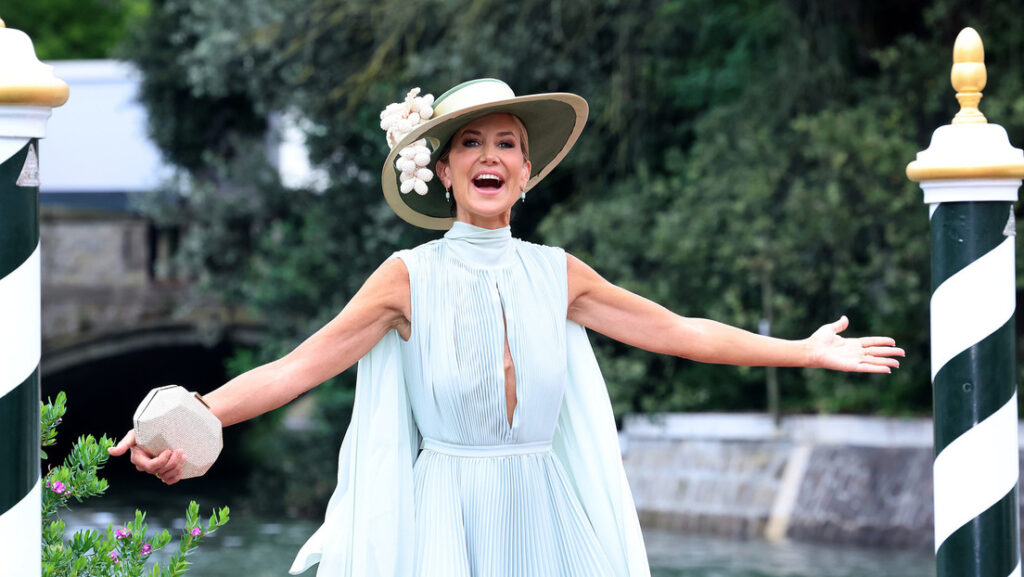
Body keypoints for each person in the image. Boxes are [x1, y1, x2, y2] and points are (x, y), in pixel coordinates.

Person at [109, 79, 904, 576]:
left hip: (546, 516)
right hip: (444, 524)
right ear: (444, 170)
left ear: (526, 172)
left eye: (508, 144)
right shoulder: (405, 277)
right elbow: (295, 368)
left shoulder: (560, 274)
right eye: (471, 143)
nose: (490, 156)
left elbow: (681, 332)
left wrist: (803, 350)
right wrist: (192, 415)